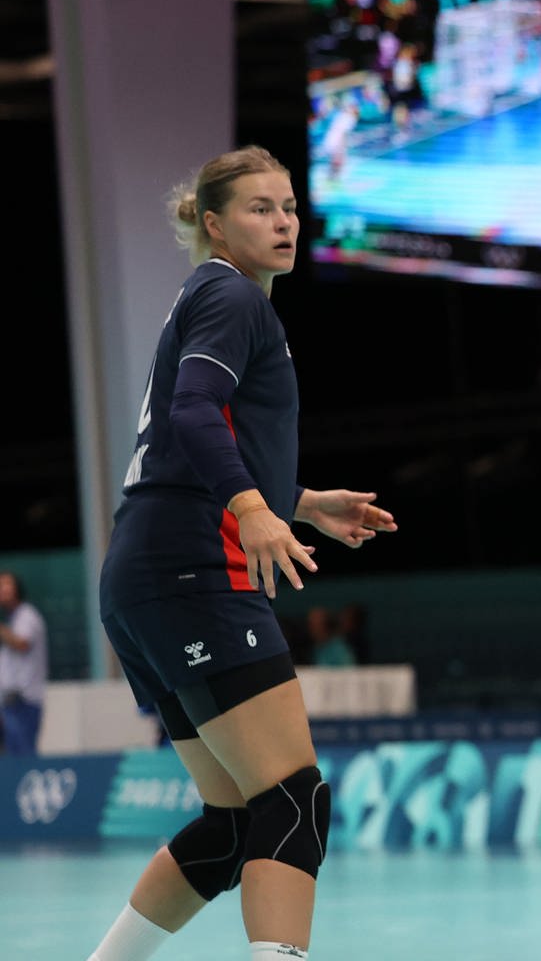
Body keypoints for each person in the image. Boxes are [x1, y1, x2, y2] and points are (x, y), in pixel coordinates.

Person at [86, 147, 397, 961]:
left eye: (289, 206)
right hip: (191, 569)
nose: (284, 221)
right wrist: (254, 507)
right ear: (215, 225)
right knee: (294, 801)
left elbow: (187, 446)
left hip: (144, 573)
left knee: (232, 826)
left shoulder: (213, 297)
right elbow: (194, 412)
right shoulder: (231, 294)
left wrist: (298, 501)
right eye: (260, 209)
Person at [0, 570, 48, 756]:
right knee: (11, 757)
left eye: (6, 585)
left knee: (23, 758)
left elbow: (22, 643)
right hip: (10, 702)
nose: (2, 590)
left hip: (24, 701)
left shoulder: (28, 615)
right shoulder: (12, 620)